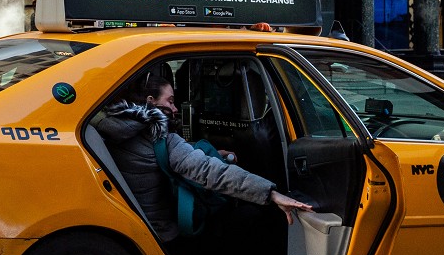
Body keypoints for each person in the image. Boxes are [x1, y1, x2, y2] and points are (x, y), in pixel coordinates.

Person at [93, 75, 312, 244]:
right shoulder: (161, 139)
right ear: (151, 102)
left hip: (125, 229)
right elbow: (211, 173)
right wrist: (271, 194)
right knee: (251, 217)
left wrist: (214, 152)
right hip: (161, 234)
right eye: (170, 101)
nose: (175, 108)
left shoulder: (102, 127)